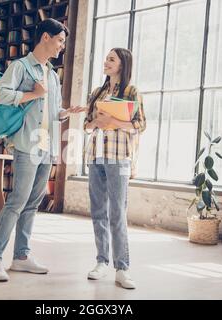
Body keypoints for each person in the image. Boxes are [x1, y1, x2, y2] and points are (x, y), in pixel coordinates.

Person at [0, 18, 83, 282]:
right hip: (27, 144)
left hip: (47, 147)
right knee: (16, 202)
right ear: (46, 37)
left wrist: (67, 113)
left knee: (32, 204)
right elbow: (1, 94)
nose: (62, 46)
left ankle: (21, 257)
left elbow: (52, 112)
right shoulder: (21, 66)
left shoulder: (51, 74)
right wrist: (32, 95)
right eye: (60, 40)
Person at [83, 48, 146, 289]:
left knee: (117, 212)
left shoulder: (132, 91)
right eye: (106, 58)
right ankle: (101, 262)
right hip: (95, 156)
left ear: (122, 64)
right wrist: (94, 123)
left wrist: (114, 122)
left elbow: (140, 124)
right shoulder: (97, 92)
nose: (106, 62)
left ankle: (122, 267)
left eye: (111, 59)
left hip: (119, 158)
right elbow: (87, 126)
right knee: (98, 210)